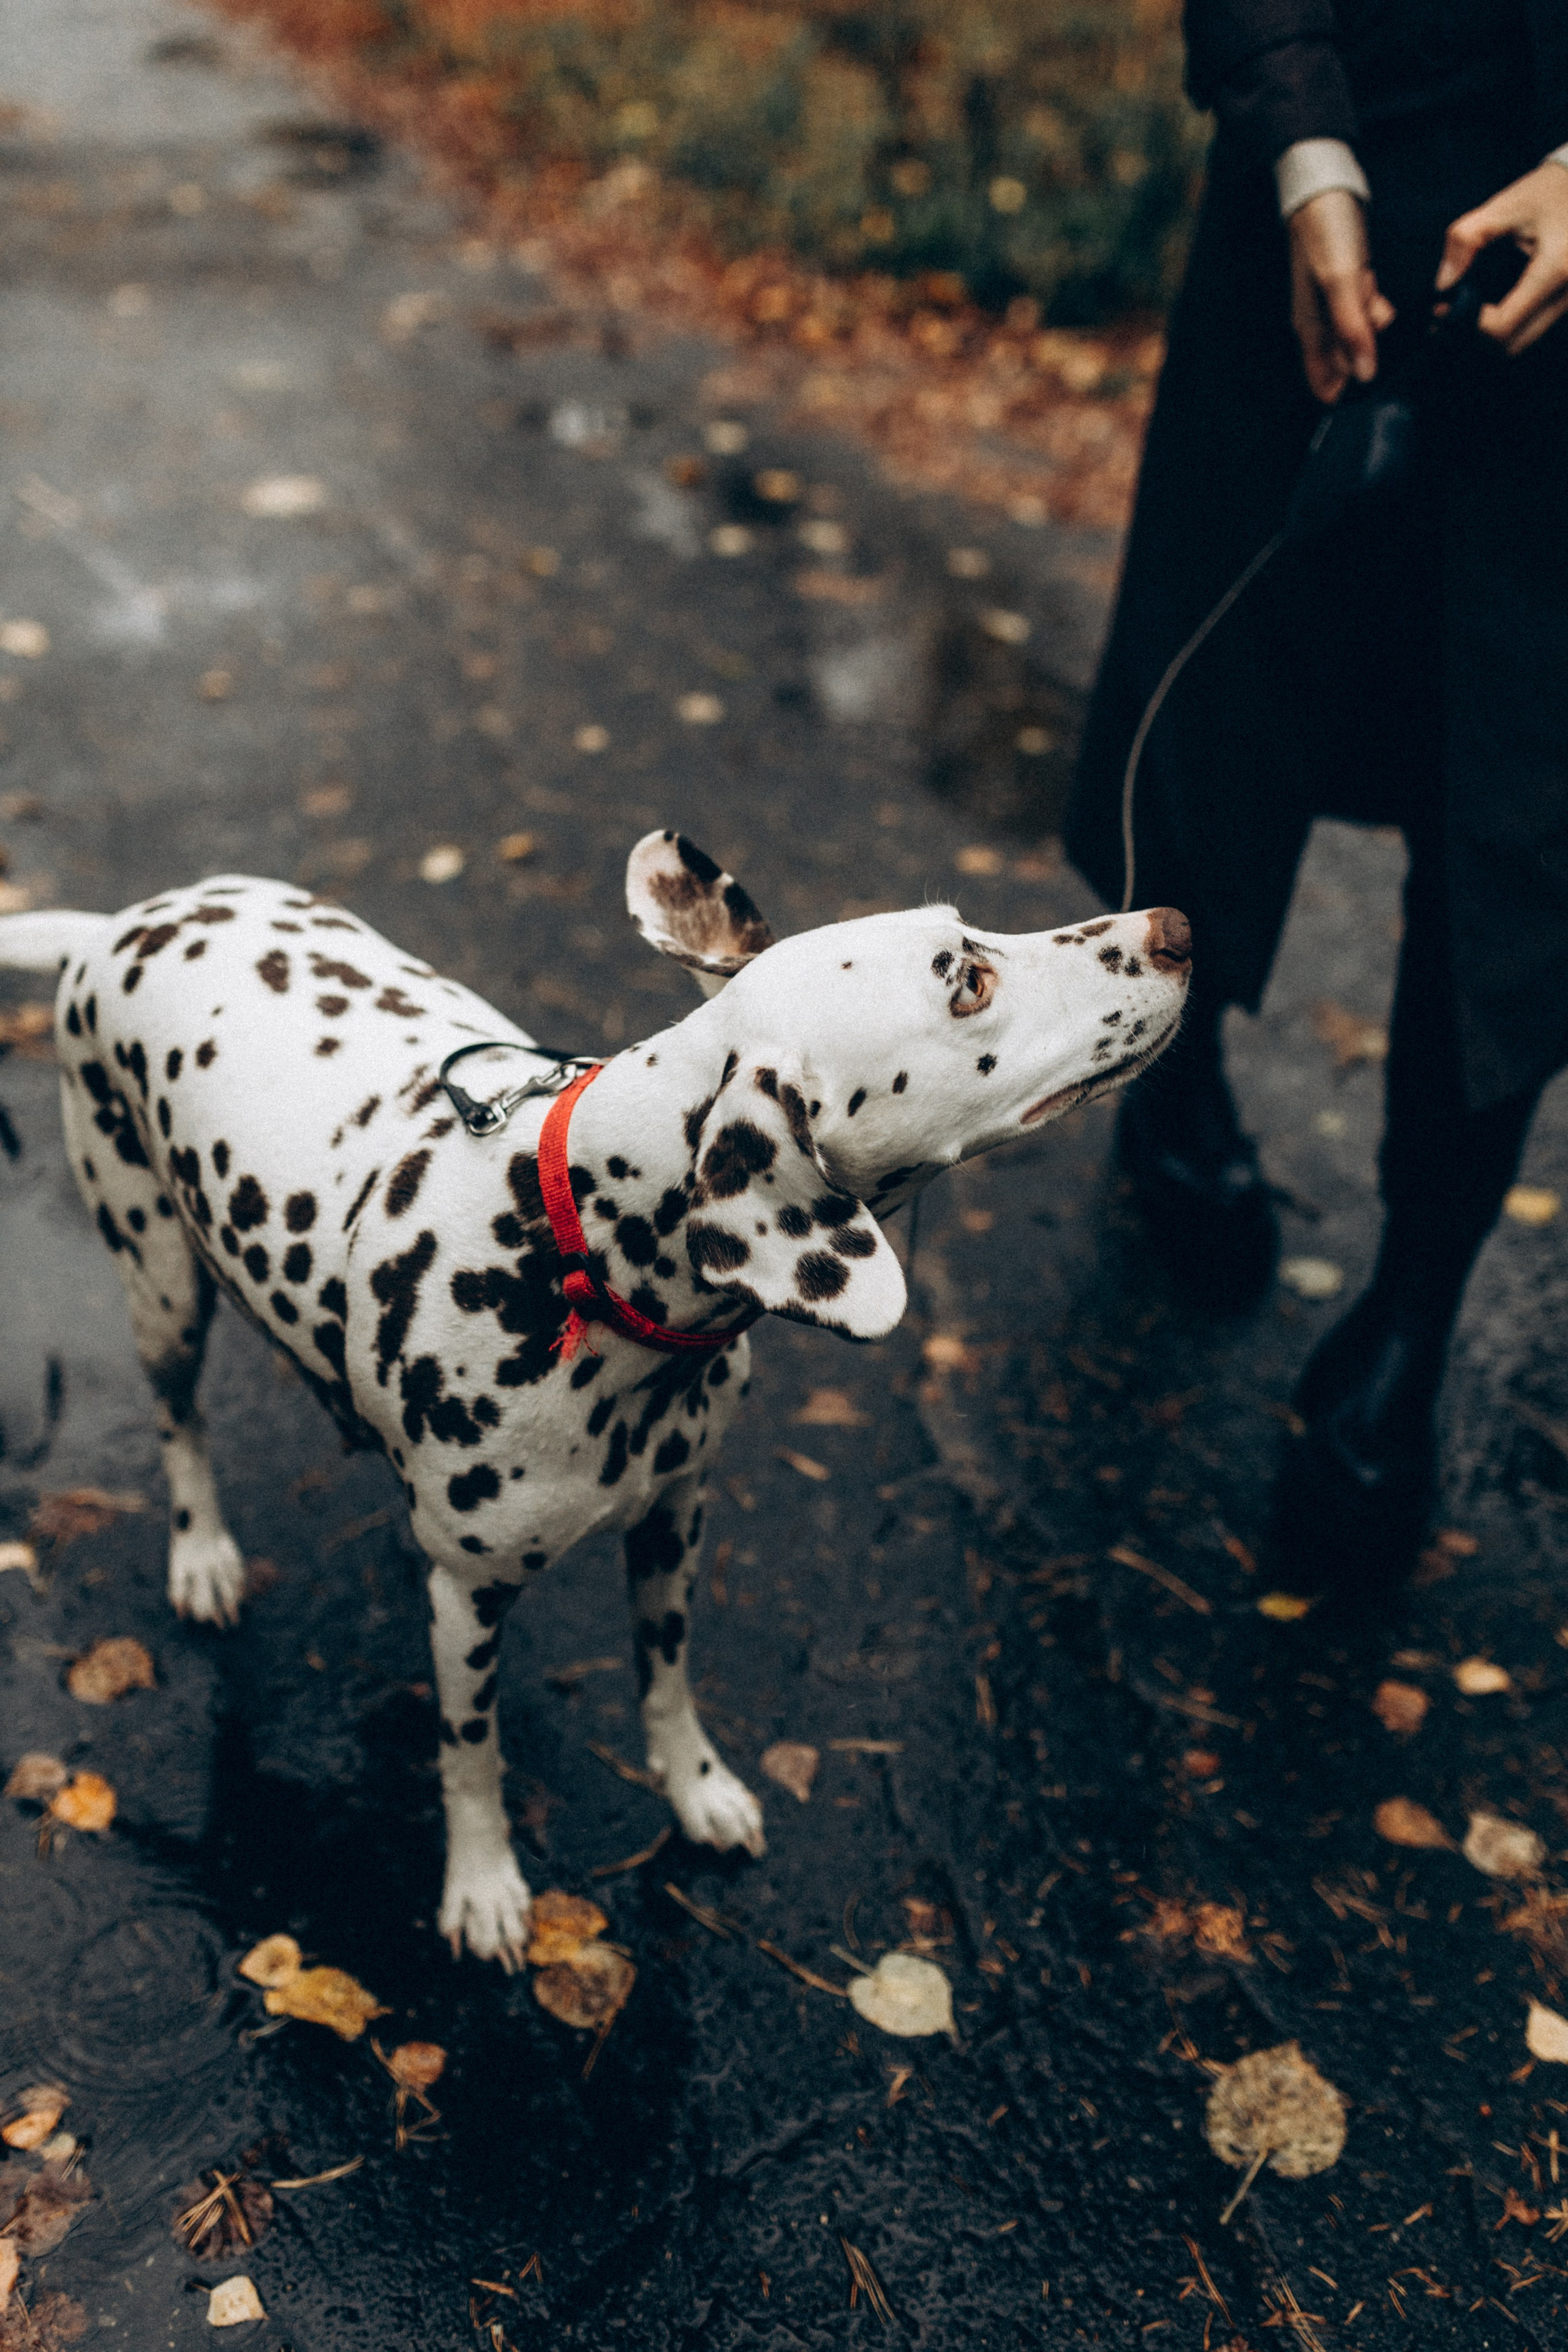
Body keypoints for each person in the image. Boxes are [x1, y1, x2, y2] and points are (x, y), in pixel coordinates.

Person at [1066, 0, 1568, 1591]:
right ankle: (1173, 1058)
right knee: (1221, 694)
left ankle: (1415, 1312)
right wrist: (1302, 141)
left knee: (1517, 815)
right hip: (1319, 201)